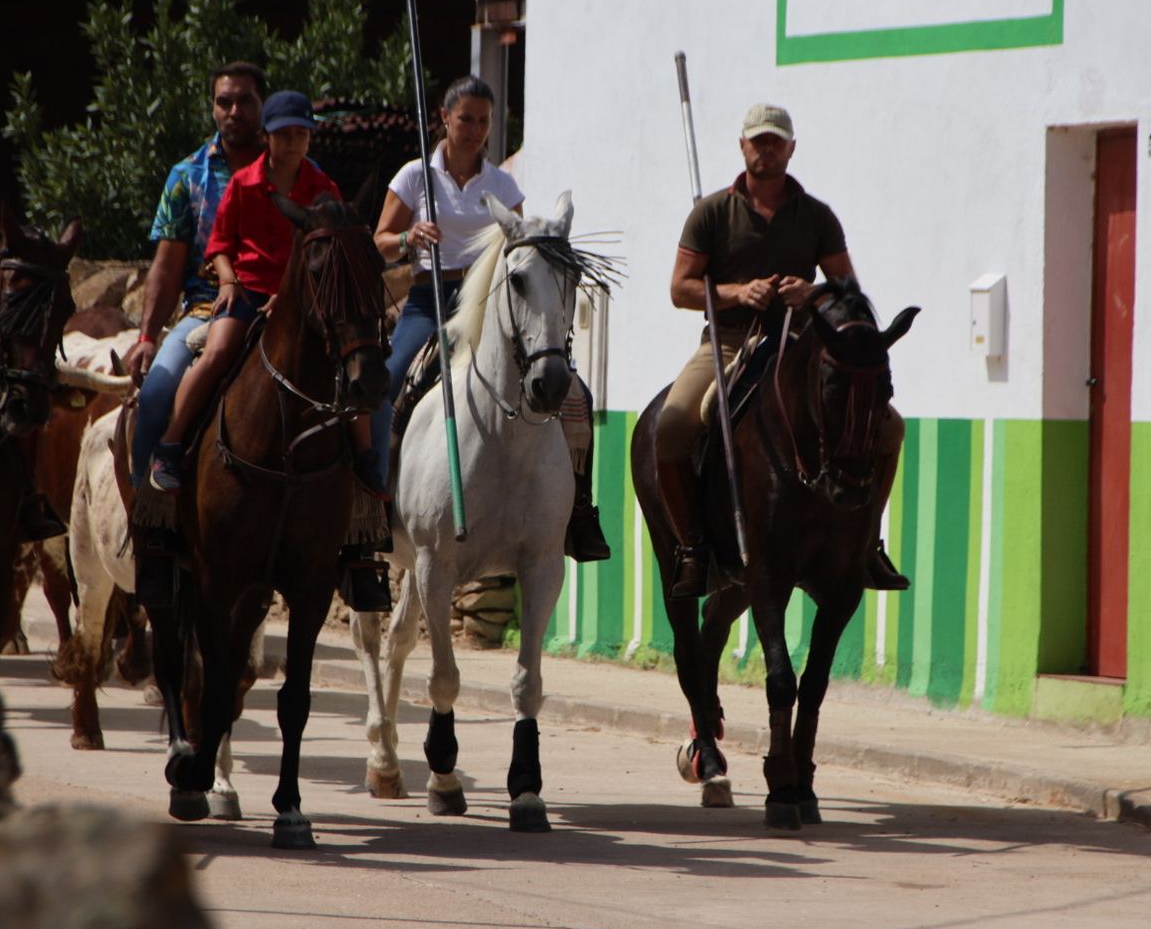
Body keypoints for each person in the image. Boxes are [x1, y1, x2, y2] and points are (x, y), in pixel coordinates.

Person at [654, 103, 908, 599]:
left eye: (776, 141)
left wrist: (811, 295)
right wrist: (737, 292)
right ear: (742, 146)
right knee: (672, 426)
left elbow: (847, 289)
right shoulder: (711, 213)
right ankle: (691, 548)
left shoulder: (817, 216)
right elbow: (681, 289)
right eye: (758, 140)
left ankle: (867, 544)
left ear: (791, 148)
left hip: (799, 343)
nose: (766, 149)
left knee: (891, 427)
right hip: (728, 340)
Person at [368, 76, 610, 563]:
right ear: (444, 118)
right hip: (428, 300)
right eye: (466, 120)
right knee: (385, 385)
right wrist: (409, 239)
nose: (475, 130)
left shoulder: (503, 185)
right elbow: (379, 240)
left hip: (490, 307)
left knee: (576, 399)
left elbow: (519, 250)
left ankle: (579, 511)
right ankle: (374, 506)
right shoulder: (415, 176)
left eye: (483, 121)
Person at [146, 90, 344, 492]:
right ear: (267, 137)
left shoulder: (325, 187)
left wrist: (292, 297)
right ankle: (169, 443)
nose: (293, 142)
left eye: (302, 134)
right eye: (284, 133)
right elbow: (219, 245)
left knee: (350, 367)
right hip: (247, 290)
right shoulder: (243, 183)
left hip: (303, 299)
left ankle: (364, 468)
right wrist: (228, 281)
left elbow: (335, 251)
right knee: (217, 351)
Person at [124, 60, 266, 489]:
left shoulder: (288, 166)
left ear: (262, 105)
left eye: (245, 101)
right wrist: (148, 337)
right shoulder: (186, 177)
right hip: (207, 309)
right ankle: (145, 510)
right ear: (212, 108)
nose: (234, 111)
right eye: (224, 102)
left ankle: (358, 519)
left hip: (279, 306)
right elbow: (167, 268)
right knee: (153, 398)